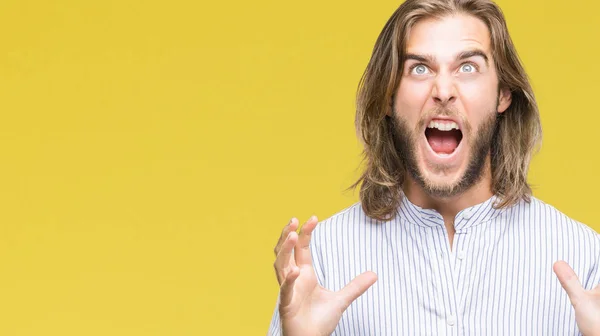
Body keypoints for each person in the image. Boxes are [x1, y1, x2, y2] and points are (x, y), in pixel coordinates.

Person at [267, 0, 600, 335]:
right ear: (387, 96)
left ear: (503, 94)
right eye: (420, 69)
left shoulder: (583, 258)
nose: (443, 91)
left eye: (468, 67)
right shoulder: (325, 258)